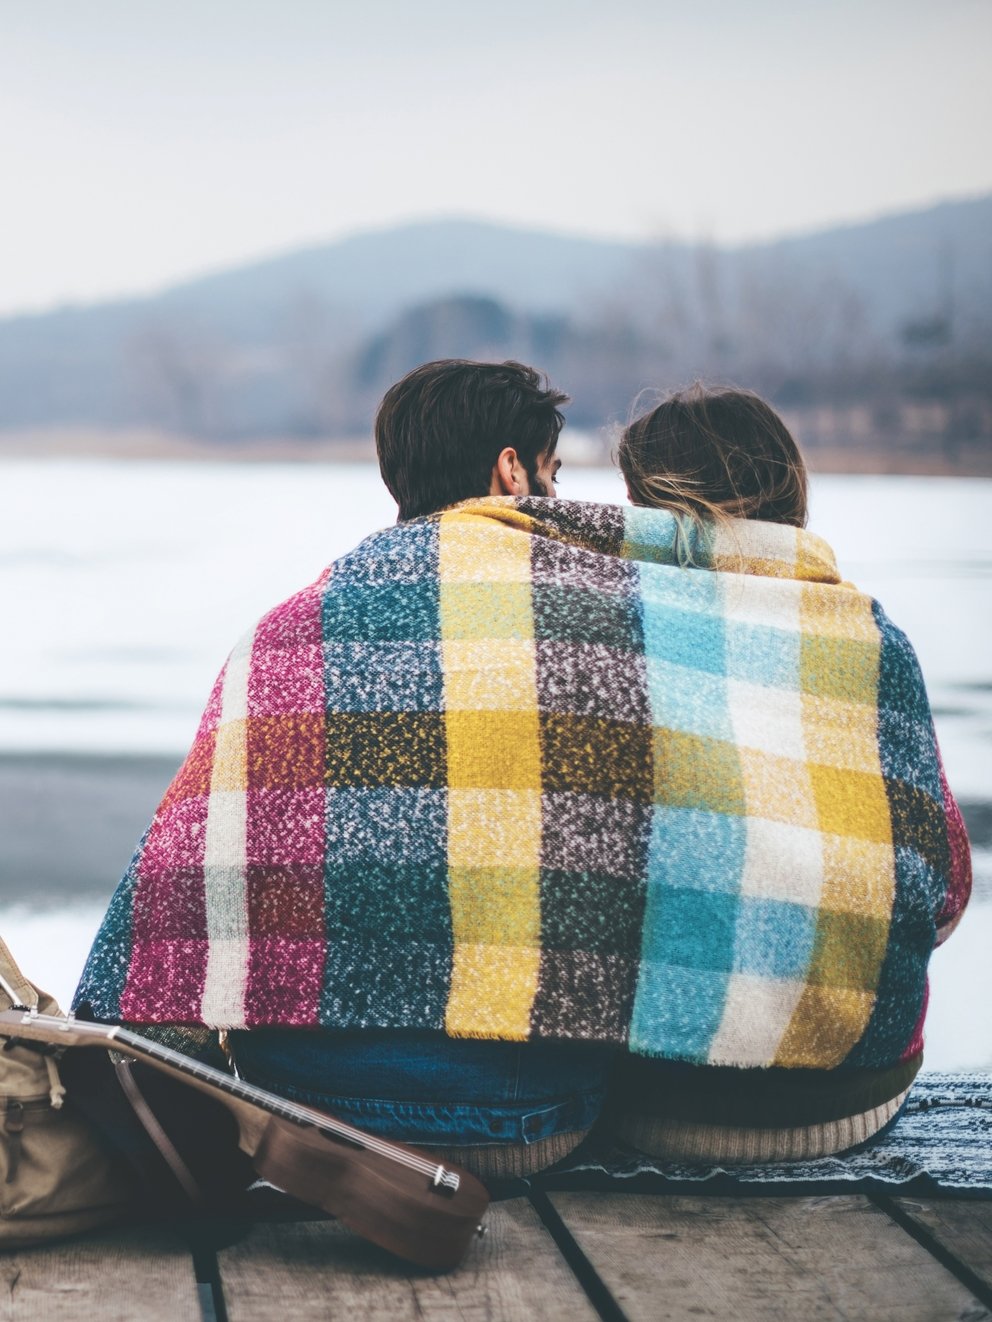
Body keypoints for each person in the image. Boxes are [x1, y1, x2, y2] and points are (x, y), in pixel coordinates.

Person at [75, 366, 970, 1176]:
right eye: (555, 474)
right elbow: (945, 892)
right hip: (731, 1103)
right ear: (514, 471)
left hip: (314, 1106)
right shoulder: (702, 633)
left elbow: (176, 877)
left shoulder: (286, 626)